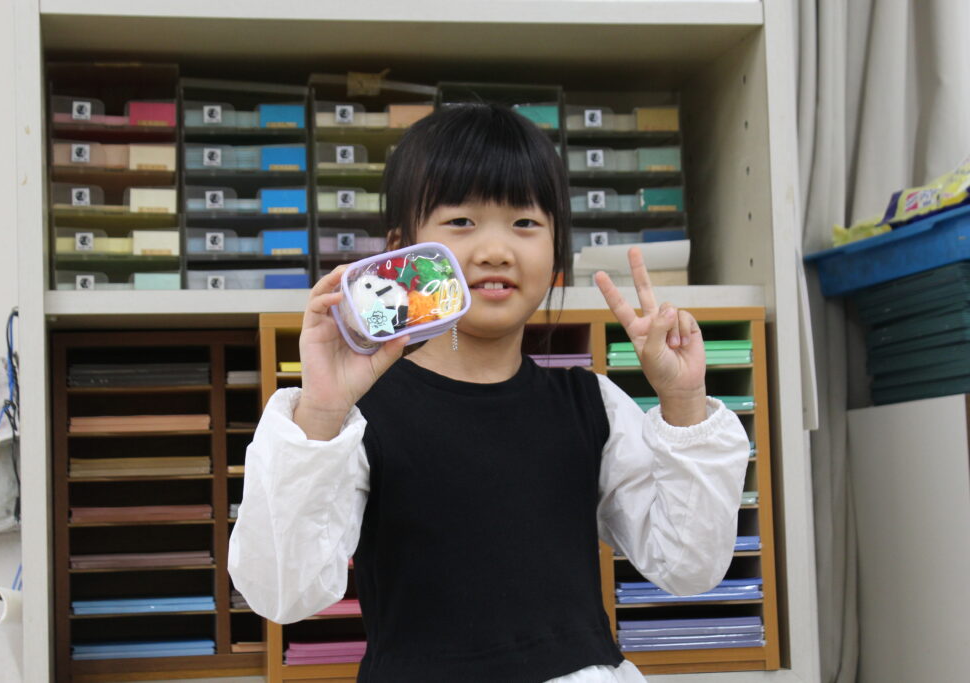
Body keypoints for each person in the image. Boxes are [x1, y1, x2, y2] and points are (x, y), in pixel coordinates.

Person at [228, 103, 750, 682]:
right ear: (402, 250)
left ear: (556, 249)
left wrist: (683, 401)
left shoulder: (592, 404)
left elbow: (688, 564)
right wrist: (322, 411)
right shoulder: (359, 416)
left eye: (525, 222)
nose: (496, 250)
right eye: (461, 221)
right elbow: (282, 592)